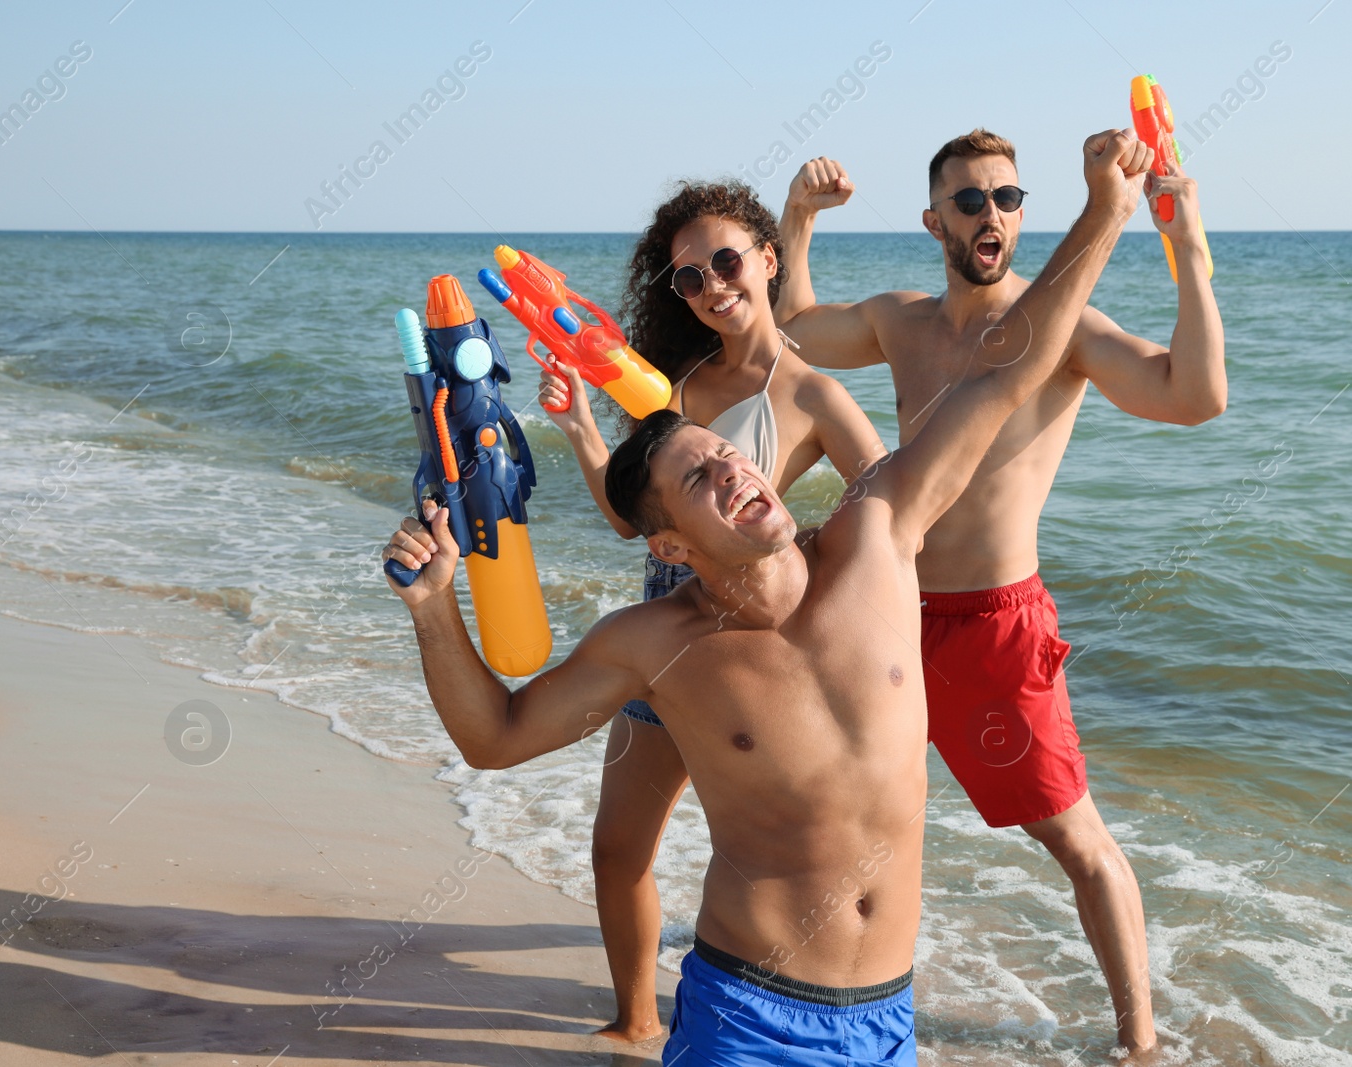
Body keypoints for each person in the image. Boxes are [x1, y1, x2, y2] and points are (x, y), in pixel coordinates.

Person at [381, 128, 1151, 1067]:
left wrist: (1106, 214)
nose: (734, 468)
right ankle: (637, 1016)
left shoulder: (876, 541)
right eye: (701, 477)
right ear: (670, 542)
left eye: (726, 453)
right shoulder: (656, 643)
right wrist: (434, 607)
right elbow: (493, 737)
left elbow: (1009, 369)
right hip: (748, 1018)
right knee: (618, 848)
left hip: (889, 1024)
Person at [774, 130, 1226, 1052]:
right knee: (840, 811)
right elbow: (793, 326)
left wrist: (1188, 250)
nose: (993, 215)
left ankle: (1139, 1040)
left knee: (1075, 840)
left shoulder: (1064, 332)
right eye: (972, 201)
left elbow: (1195, 395)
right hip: (890, 609)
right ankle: (831, 995)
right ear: (936, 219)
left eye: (1010, 199)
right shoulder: (902, 319)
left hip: (996, 625)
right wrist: (796, 219)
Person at [537, 180, 886, 1042]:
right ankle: (635, 1023)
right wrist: (583, 423)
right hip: (664, 641)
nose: (711, 286)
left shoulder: (814, 394)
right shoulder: (670, 381)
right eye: (688, 279)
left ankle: (793, 1021)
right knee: (620, 847)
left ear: (769, 260)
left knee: (771, 864)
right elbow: (633, 523)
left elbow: (891, 514)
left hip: (751, 662)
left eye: (726, 261)